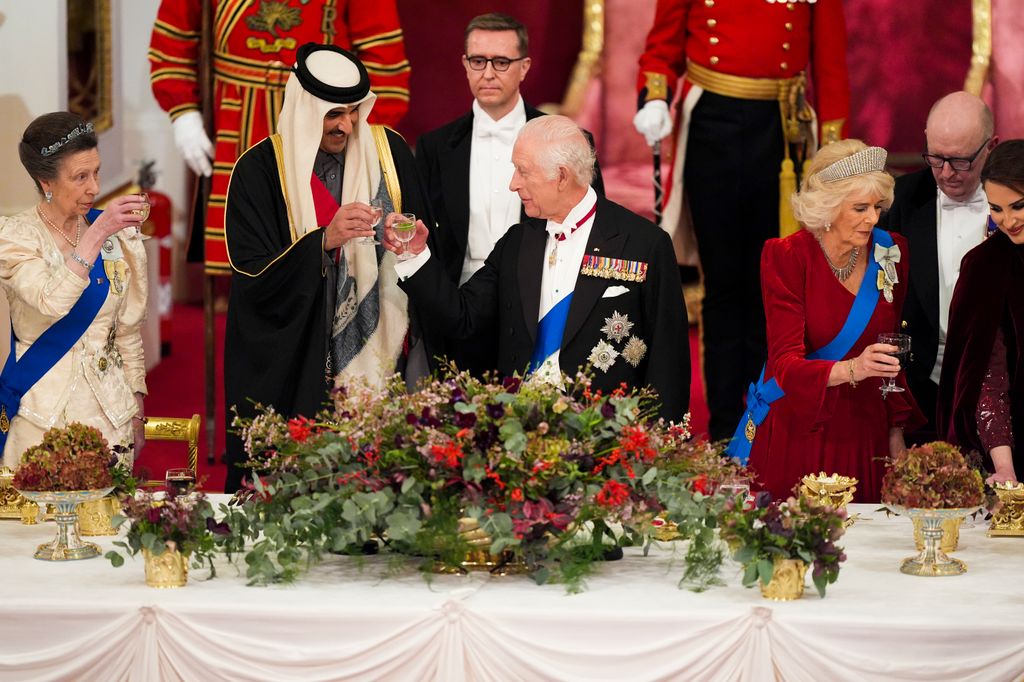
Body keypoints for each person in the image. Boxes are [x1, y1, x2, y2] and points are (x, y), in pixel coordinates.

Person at [633, 0, 849, 440]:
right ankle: (726, 429)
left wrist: (832, 144)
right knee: (725, 285)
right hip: (712, 123)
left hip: (783, 132)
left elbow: (830, 59)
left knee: (777, 282)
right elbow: (662, 46)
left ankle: (773, 426)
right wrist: (655, 96)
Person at [223, 43, 431, 492]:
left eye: (354, 112)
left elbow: (424, 233)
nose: (347, 125)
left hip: (384, 352)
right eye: (334, 114)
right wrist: (323, 242)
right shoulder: (259, 170)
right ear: (304, 108)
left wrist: (406, 240)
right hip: (298, 362)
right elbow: (253, 278)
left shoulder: (389, 152)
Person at [385, 115, 689, 422]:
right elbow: (463, 316)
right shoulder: (517, 242)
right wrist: (414, 255)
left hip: (606, 434)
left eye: (523, 171)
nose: (513, 183)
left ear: (560, 176)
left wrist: (658, 444)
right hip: (519, 429)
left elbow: (669, 357)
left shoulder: (642, 243)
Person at [148, 0, 411, 273]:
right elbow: (174, 35)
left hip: (324, 116)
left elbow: (382, 54)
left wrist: (361, 130)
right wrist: (182, 110)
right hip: (236, 119)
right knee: (247, 249)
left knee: (330, 245)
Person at [415, 12, 604, 376]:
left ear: (524, 67)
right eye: (478, 61)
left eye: (501, 62)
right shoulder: (435, 147)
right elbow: (428, 239)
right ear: (464, 65)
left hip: (542, 305)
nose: (488, 73)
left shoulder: (570, 141)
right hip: (460, 310)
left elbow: (592, 229)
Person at [740, 140, 923, 503]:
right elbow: (785, 365)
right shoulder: (787, 257)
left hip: (866, 426)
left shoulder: (891, 251)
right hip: (804, 425)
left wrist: (896, 431)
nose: (873, 218)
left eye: (876, 207)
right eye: (860, 208)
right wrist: (854, 367)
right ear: (827, 207)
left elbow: (891, 353)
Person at [0, 112, 149, 468]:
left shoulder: (120, 238)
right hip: (39, 422)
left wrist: (137, 408)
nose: (95, 188)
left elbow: (127, 331)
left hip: (110, 420)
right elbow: (51, 301)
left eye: (96, 172)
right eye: (80, 177)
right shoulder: (16, 238)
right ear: (45, 181)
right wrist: (97, 235)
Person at [879, 92, 996, 442]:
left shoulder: (1015, 202)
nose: (945, 173)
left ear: (991, 146)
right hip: (919, 390)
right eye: (935, 158)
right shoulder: (899, 200)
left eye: (960, 161)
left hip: (1001, 389)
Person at [938, 139, 1024, 485]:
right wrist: (1004, 467)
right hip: (1013, 451)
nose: (1007, 220)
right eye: (996, 208)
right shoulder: (984, 266)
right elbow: (987, 378)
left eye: (1018, 206)